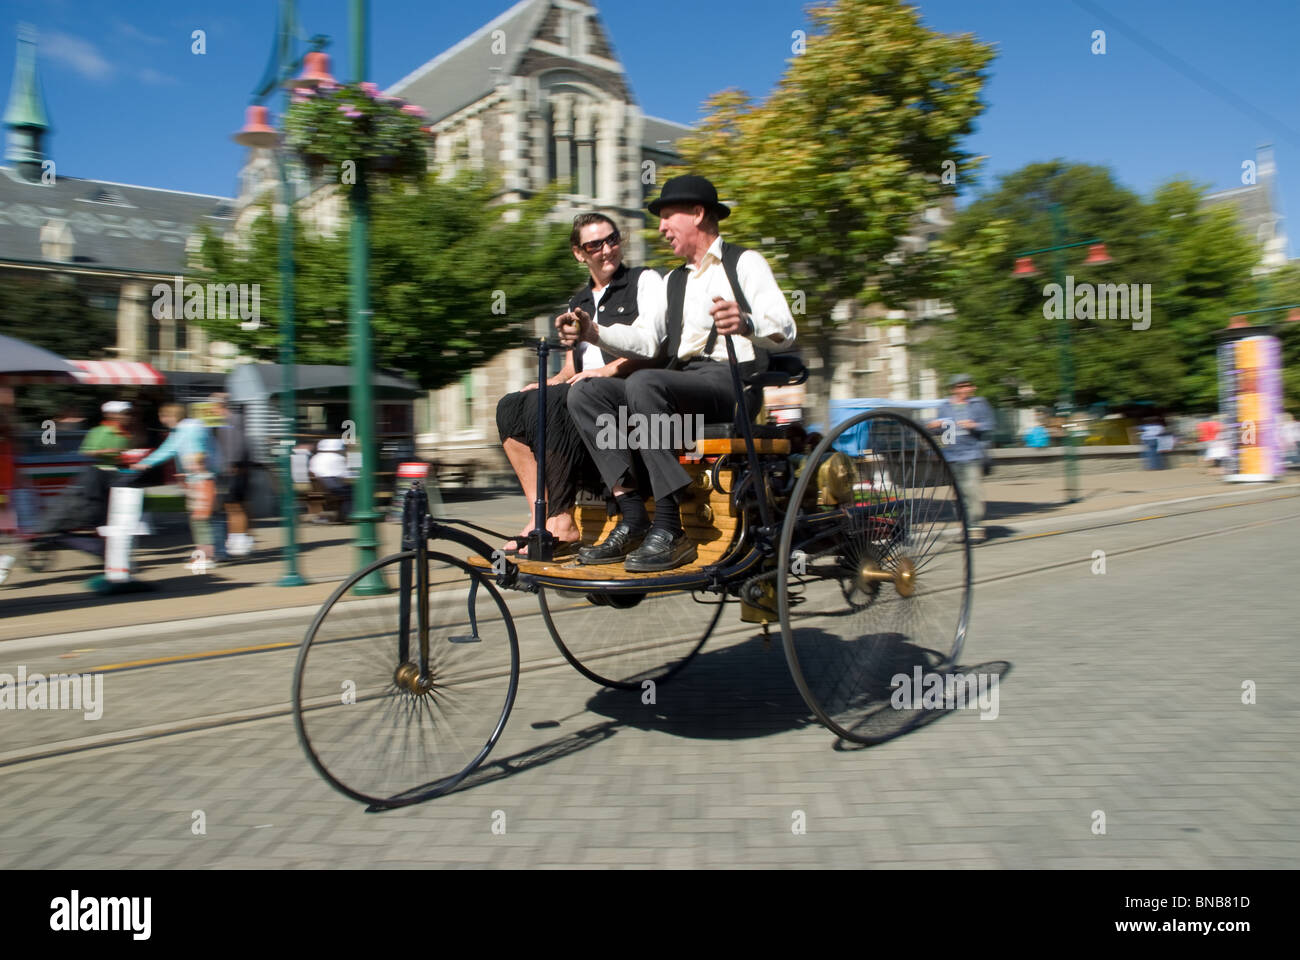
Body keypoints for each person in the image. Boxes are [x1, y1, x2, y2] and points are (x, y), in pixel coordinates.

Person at [561, 174, 796, 572]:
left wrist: (747, 322)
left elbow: (786, 330)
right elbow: (646, 342)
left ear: (698, 214)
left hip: (730, 386)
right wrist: (594, 332)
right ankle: (634, 515)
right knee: (586, 393)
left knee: (645, 382)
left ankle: (670, 528)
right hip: (681, 389)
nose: (661, 228)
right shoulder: (673, 281)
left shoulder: (745, 263)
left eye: (668, 217)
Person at [495, 213, 665, 558]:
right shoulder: (578, 302)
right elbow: (572, 367)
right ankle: (538, 516)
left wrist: (607, 371)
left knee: (562, 398)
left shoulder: (643, 281)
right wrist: (547, 383)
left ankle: (562, 522)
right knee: (513, 405)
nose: (607, 250)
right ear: (579, 253)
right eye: (595, 245)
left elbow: (655, 347)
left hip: (625, 393)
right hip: (581, 391)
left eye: (612, 240)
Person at [36, 400, 133, 534]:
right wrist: (108, 451)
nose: (77, 416)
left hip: (113, 472)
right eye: (73, 412)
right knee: (89, 503)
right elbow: (52, 446)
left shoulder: (123, 433)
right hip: (96, 472)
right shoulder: (53, 425)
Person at [927, 374, 996, 542]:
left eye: (968, 386)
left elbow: (990, 425)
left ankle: (975, 527)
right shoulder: (945, 406)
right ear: (954, 389)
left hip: (972, 454)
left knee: (972, 491)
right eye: (961, 386)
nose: (965, 389)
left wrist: (975, 425)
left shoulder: (979, 404)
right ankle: (965, 528)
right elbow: (944, 434)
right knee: (959, 494)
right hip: (951, 457)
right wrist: (934, 427)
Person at [209, 393, 253, 559]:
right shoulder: (224, 421)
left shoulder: (232, 420)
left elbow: (237, 443)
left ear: (219, 406)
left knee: (235, 506)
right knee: (233, 506)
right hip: (229, 468)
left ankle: (240, 541)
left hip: (232, 468)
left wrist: (235, 463)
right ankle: (237, 539)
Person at [184, 451, 217, 569]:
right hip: (195, 511)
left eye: (192, 464)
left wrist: (205, 510)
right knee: (199, 537)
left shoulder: (205, 478)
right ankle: (201, 556)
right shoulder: (194, 477)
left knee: (205, 536)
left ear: (201, 464)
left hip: (202, 511)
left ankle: (207, 558)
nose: (189, 467)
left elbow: (209, 495)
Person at [308, 438, 352, 523]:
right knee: (352, 494)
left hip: (321, 487)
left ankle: (341, 516)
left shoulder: (316, 457)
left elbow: (312, 472)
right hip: (332, 487)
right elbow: (345, 474)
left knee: (347, 492)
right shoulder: (337, 458)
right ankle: (344, 516)